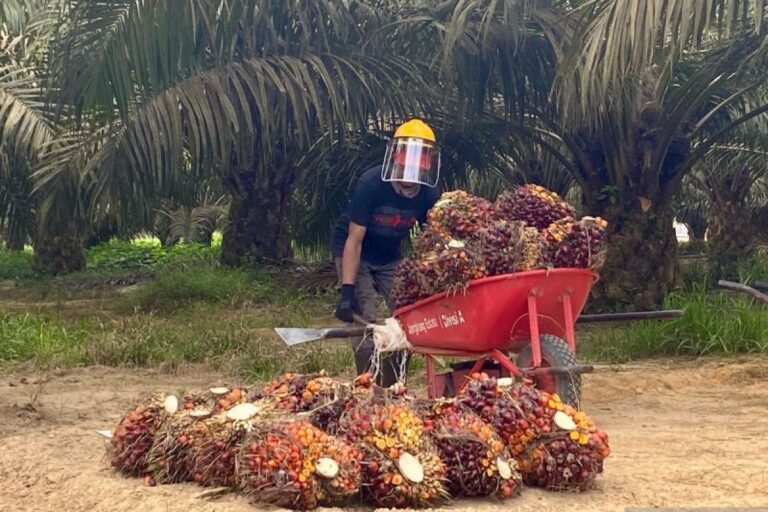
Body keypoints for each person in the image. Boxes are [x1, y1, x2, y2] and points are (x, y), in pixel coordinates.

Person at [330, 118, 442, 387]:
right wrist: (348, 291)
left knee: (407, 317)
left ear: (427, 163)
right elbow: (353, 240)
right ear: (397, 158)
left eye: (418, 163)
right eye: (407, 162)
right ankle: (367, 385)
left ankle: (395, 386)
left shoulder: (428, 194)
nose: (410, 172)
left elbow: (433, 240)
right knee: (366, 318)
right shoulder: (371, 184)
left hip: (390, 255)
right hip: (355, 251)